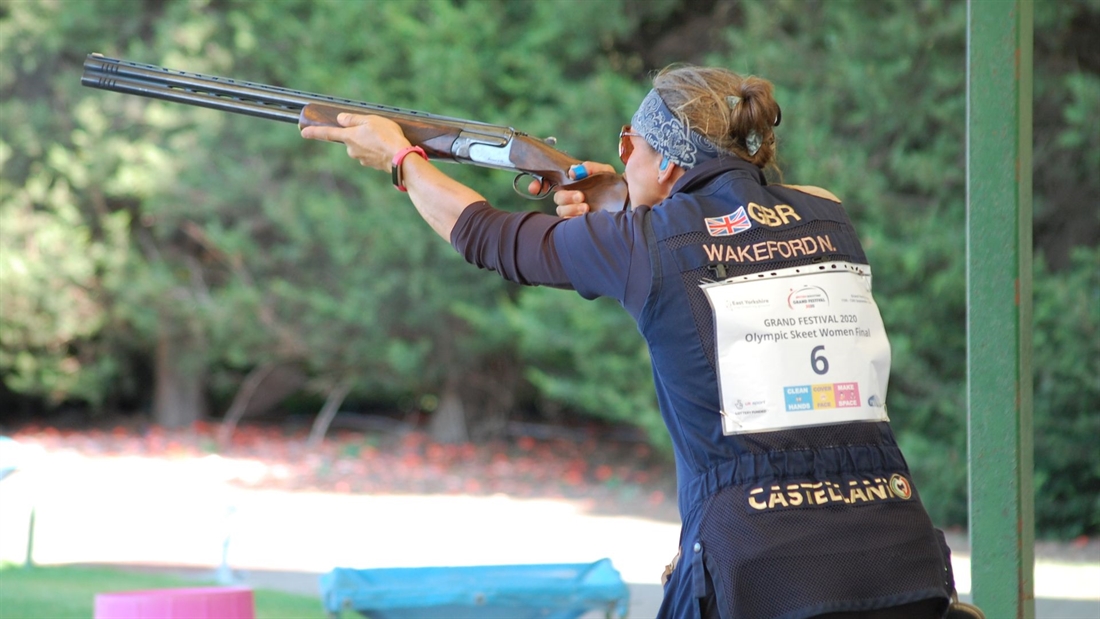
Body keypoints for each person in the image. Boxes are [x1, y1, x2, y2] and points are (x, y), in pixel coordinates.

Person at [302, 65, 962, 619]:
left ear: (669, 163)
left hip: (753, 568)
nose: (624, 156)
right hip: (898, 548)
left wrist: (402, 158)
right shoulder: (828, 210)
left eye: (631, 145)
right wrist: (623, 201)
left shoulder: (640, 243)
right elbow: (731, 230)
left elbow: (486, 236)